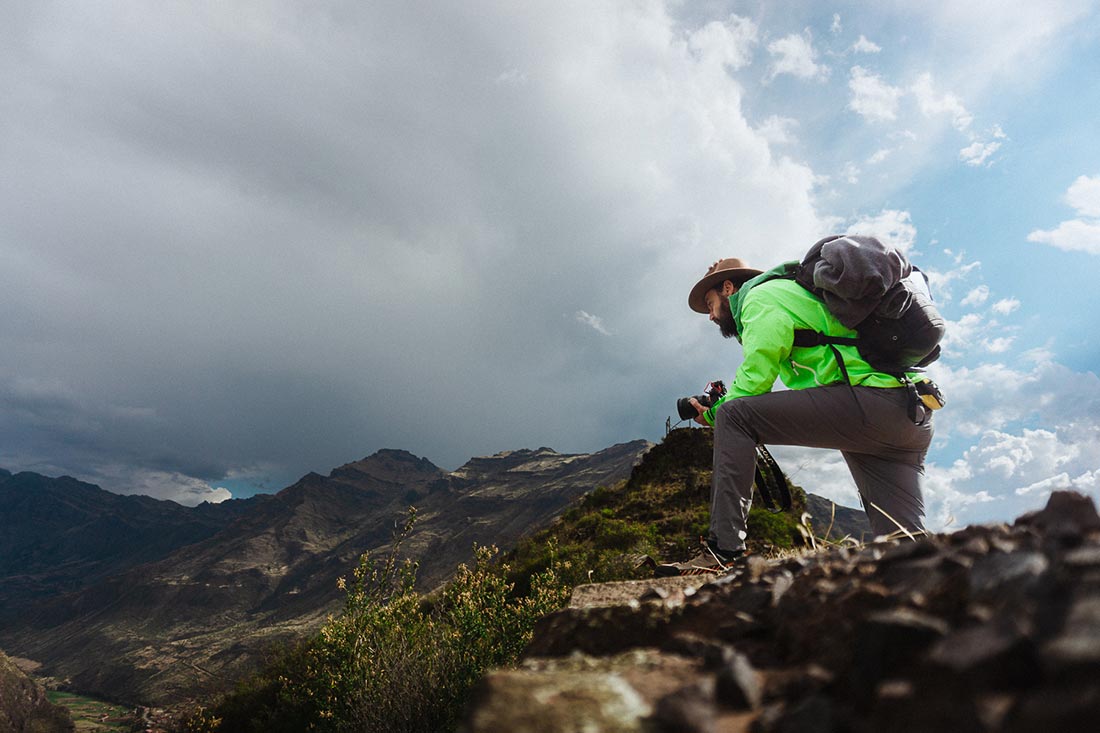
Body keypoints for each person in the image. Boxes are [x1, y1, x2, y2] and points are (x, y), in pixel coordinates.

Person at [658, 256, 934, 576]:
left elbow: (757, 376)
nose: (709, 315)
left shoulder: (759, 297)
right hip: (911, 411)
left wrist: (714, 413)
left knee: (734, 415)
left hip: (867, 404)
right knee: (904, 542)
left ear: (729, 288)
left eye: (709, 303)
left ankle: (724, 551)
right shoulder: (796, 293)